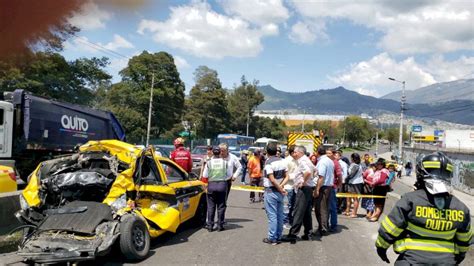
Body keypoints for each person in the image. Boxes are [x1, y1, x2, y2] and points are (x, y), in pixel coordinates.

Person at [376, 152, 471, 265]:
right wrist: (459, 256)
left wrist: (381, 248)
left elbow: (390, 229)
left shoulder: (409, 200)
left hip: (411, 261)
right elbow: (464, 240)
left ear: (420, 173)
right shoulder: (461, 208)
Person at [282, 146, 315, 242]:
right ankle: (308, 233)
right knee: (306, 213)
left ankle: (292, 234)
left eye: (295, 152)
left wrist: (303, 182)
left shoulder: (302, 161)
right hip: (308, 188)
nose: (293, 154)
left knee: (298, 212)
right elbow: (314, 170)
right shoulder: (307, 160)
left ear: (299, 152)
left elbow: (308, 172)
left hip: (304, 189)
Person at [262, 142, 289, 245]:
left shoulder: (268, 163)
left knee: (272, 216)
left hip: (271, 191)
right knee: (279, 215)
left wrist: (279, 188)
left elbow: (272, 180)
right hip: (279, 192)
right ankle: (278, 236)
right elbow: (287, 176)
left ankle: (272, 238)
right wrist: (281, 186)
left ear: (267, 152)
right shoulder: (283, 161)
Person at [202, 147, 228, 232]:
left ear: (213, 153)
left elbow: (205, 175)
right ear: (220, 153)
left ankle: (210, 226)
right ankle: (220, 226)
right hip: (222, 186)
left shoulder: (209, 163)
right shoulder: (225, 162)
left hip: (211, 186)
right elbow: (229, 174)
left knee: (211, 206)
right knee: (221, 206)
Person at [313, 145, 335, 236]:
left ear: (317, 152)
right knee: (324, 208)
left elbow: (321, 177)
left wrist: (317, 189)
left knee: (320, 209)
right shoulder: (330, 161)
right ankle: (323, 227)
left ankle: (322, 228)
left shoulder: (322, 162)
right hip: (327, 186)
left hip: (323, 187)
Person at [344, 153, 364, 218]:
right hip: (352, 183)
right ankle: (347, 211)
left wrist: (345, 179)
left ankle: (354, 213)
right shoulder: (356, 165)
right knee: (348, 197)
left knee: (355, 198)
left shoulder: (356, 166)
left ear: (353, 158)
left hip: (355, 183)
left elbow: (351, 175)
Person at [283, 145, 298, 229]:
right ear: (292, 152)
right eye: (296, 151)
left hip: (294, 186)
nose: (297, 153)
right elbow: (285, 175)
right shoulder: (287, 161)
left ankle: (290, 220)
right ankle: (285, 221)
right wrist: (296, 176)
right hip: (288, 186)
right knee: (287, 205)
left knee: (292, 205)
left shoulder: (297, 160)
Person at [328, 148, 343, 232]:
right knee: (326, 207)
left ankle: (333, 225)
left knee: (333, 208)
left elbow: (339, 175)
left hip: (332, 188)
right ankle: (325, 224)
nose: (327, 155)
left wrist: (338, 185)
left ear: (333, 154)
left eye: (329, 153)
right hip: (327, 187)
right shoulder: (327, 161)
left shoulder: (335, 163)